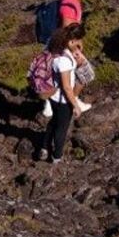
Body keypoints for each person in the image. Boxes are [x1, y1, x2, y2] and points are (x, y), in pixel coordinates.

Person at [38, 27, 83, 163]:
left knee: (53, 122)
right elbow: (67, 87)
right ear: (71, 41)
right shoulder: (63, 61)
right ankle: (57, 157)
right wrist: (75, 105)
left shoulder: (56, 50)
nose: (80, 43)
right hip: (62, 100)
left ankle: (44, 148)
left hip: (53, 96)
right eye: (78, 40)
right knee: (61, 130)